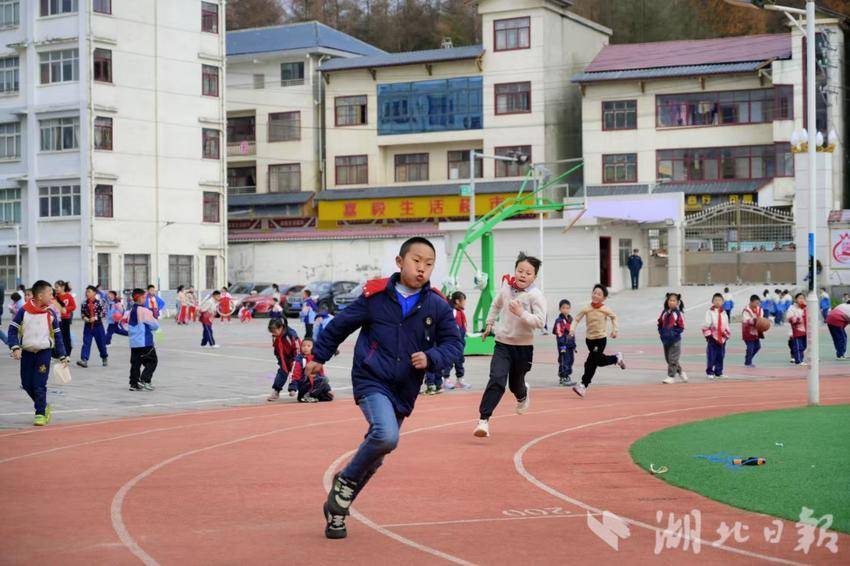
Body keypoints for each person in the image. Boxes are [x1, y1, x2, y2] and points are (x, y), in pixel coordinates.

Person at [306, 236, 463, 539]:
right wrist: (319, 356)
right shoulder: (375, 297)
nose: (422, 268)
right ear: (400, 262)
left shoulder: (437, 305)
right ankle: (344, 483)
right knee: (386, 435)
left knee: (377, 454)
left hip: (404, 387)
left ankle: (337, 510)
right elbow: (340, 325)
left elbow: (454, 345)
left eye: (429, 264)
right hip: (371, 378)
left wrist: (431, 357)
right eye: (416, 261)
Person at [474, 252, 546, 437]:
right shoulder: (506, 288)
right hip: (503, 343)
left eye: (528, 273)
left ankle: (523, 395)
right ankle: (483, 421)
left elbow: (540, 322)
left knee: (515, 385)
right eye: (520, 271)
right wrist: (489, 323)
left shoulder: (536, 296)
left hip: (523, 348)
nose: (523, 275)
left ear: (534, 277)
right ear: (515, 271)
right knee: (497, 379)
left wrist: (521, 312)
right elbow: (496, 305)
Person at [6, 280, 70, 426]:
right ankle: (44, 405)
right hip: (27, 353)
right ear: (40, 296)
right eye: (50, 293)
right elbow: (12, 330)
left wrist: (62, 355)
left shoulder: (50, 313)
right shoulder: (24, 311)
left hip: (44, 353)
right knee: (26, 383)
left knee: (39, 384)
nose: (52, 296)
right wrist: (15, 347)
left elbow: (58, 336)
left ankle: (40, 413)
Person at [570, 283, 625, 398]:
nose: (595, 295)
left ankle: (583, 385)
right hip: (589, 340)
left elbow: (614, 317)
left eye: (599, 294)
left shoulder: (605, 309)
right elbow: (576, 319)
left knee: (591, 362)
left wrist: (615, 330)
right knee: (597, 361)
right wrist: (572, 330)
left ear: (604, 298)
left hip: (600, 339)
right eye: (594, 293)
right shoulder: (586, 308)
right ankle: (616, 358)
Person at [124, 288, 160, 391]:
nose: (145, 299)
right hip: (145, 342)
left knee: (135, 363)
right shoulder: (145, 311)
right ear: (139, 298)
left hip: (134, 342)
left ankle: (134, 383)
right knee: (152, 361)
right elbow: (155, 325)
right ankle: (145, 380)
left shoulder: (130, 311)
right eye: (144, 297)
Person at [288, 338, 334, 402]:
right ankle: (306, 395)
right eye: (303, 346)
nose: (305, 348)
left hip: (314, 384)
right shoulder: (299, 360)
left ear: (313, 348)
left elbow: (321, 375)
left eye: (308, 346)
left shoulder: (317, 359)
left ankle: (308, 397)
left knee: (328, 397)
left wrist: (328, 389)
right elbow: (294, 375)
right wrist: (292, 388)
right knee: (324, 379)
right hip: (305, 386)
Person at [266, 317, 301, 401]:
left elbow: (297, 348)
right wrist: (280, 359)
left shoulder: (291, 335)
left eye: (274, 331)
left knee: (296, 372)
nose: (273, 333)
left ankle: (293, 388)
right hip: (284, 358)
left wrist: (296, 361)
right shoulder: (275, 336)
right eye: (271, 331)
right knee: (282, 373)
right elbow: (276, 348)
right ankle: (276, 391)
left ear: (281, 327)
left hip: (295, 357)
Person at [442, 291, 470, 390]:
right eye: (464, 301)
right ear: (457, 301)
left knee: (459, 361)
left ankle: (460, 380)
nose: (465, 303)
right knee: (449, 361)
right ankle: (445, 380)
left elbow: (462, 326)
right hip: (452, 342)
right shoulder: (451, 311)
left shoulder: (460, 312)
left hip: (460, 342)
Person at [77, 285, 109, 368]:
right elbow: (83, 314)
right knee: (86, 343)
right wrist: (85, 318)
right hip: (88, 327)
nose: (87, 293)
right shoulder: (84, 303)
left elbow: (104, 313)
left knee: (101, 343)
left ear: (94, 293)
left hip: (98, 326)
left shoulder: (100, 302)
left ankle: (104, 357)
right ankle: (84, 359)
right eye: (86, 292)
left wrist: (95, 318)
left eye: (89, 292)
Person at [658, 293, 687, 384]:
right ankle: (680, 372)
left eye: (674, 301)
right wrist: (662, 333)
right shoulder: (664, 312)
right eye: (670, 300)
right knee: (668, 359)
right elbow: (660, 323)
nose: (671, 302)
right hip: (665, 340)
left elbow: (681, 327)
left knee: (673, 359)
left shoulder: (678, 314)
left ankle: (671, 376)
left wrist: (673, 333)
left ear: (677, 302)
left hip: (675, 341)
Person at [702, 292, 731, 379]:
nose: (718, 302)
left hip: (722, 338)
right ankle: (710, 372)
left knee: (721, 355)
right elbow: (706, 325)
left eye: (719, 300)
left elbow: (726, 325)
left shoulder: (724, 313)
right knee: (711, 356)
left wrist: (726, 335)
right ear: (712, 301)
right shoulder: (709, 312)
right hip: (713, 338)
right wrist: (709, 336)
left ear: (723, 302)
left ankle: (719, 372)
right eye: (716, 300)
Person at [553, 299, 576, 387]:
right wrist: (562, 342)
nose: (565, 310)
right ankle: (563, 377)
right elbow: (559, 332)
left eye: (567, 308)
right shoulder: (559, 321)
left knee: (570, 360)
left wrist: (573, 344)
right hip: (563, 346)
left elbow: (572, 333)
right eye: (563, 308)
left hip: (570, 345)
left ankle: (567, 376)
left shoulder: (571, 320)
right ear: (560, 309)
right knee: (563, 359)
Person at [54, 280, 76, 358]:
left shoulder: (68, 296)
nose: (56, 289)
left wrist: (66, 309)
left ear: (63, 287)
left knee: (66, 336)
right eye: (55, 287)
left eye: (57, 287)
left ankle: (67, 353)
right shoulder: (54, 296)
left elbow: (74, 306)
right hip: (56, 319)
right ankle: (58, 353)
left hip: (65, 319)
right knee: (58, 336)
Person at [742, 294, 765, 368]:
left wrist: (763, 324)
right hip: (748, 332)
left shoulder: (760, 309)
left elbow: (761, 319)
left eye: (758, 303)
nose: (757, 304)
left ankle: (748, 359)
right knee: (750, 347)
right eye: (756, 303)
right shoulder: (746, 310)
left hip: (756, 332)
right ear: (751, 302)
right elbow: (745, 321)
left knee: (757, 347)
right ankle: (748, 362)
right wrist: (755, 320)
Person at [787, 293, 808, 365]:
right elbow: (789, 318)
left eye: (803, 298)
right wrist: (798, 319)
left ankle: (795, 355)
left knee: (804, 346)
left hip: (805, 330)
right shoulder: (792, 308)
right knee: (799, 346)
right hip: (796, 330)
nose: (801, 300)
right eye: (800, 298)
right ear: (796, 299)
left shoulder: (806, 308)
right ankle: (799, 360)